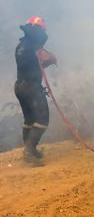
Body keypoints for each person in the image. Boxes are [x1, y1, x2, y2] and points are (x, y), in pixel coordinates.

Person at [14, 16, 57, 166]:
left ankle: (30, 149)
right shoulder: (34, 45)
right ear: (38, 31)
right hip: (31, 87)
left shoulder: (21, 46)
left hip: (20, 86)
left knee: (29, 120)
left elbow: (31, 65)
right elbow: (44, 59)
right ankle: (29, 151)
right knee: (42, 119)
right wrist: (52, 59)